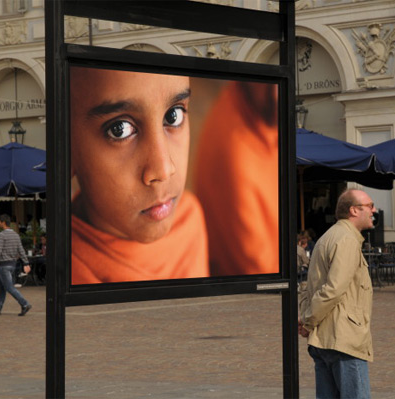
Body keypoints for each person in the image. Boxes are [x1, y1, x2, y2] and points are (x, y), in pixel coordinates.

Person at [69, 66, 209, 284]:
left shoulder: (188, 217)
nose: (164, 170)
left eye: (174, 115)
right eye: (120, 129)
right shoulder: (69, 271)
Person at [194, 80, 278, 276]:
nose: (276, 94)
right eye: (268, 85)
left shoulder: (244, 108)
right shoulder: (236, 155)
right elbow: (259, 269)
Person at [298, 189, 376, 399]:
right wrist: (307, 320)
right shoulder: (346, 240)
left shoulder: (329, 236)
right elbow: (332, 289)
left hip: (326, 337)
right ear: (353, 210)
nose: (374, 210)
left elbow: (311, 287)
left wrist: (307, 318)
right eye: (369, 205)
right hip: (343, 339)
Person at [0, 214, 32, 316]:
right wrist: (26, 262)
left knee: (9, 287)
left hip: (3, 265)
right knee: (2, 288)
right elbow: (21, 250)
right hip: (12, 265)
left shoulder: (1, 235)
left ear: (3, 222)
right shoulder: (16, 235)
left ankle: (24, 303)